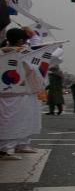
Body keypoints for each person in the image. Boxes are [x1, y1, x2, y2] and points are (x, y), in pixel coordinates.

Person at [0, 29, 43, 159]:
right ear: (20, 41)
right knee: (12, 121)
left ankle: (19, 144)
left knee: (17, 120)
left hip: (12, 93)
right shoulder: (22, 54)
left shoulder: (5, 52)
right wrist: (34, 36)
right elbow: (38, 59)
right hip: (17, 93)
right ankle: (5, 149)